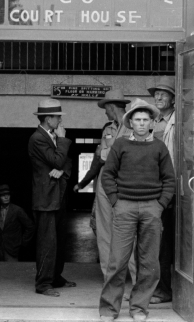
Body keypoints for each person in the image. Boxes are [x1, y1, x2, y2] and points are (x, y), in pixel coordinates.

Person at [99, 98, 175, 322]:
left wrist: (160, 205)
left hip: (151, 208)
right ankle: (109, 309)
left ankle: (139, 308)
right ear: (130, 122)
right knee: (118, 261)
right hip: (125, 207)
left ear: (151, 123)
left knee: (149, 262)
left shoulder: (159, 147)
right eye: (137, 119)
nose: (141, 123)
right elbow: (108, 175)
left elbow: (169, 179)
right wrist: (115, 201)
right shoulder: (121, 145)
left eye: (145, 120)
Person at [74, 89, 134, 280]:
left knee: (129, 230)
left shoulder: (134, 125)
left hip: (124, 183)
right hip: (104, 182)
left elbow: (127, 156)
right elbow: (99, 159)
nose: (105, 113)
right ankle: (110, 277)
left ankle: (136, 278)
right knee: (104, 231)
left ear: (111, 106)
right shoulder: (107, 128)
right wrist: (84, 182)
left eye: (106, 108)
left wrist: (104, 154)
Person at [27, 98, 75, 297]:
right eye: (57, 118)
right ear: (48, 119)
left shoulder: (51, 136)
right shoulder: (37, 138)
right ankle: (43, 284)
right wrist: (63, 142)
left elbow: (67, 162)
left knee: (59, 241)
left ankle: (55, 277)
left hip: (57, 196)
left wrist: (61, 170)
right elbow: (56, 159)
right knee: (47, 243)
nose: (60, 122)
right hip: (46, 199)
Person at [148, 77, 176, 304]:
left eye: (163, 94)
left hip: (168, 190)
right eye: (156, 94)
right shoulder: (155, 121)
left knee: (163, 244)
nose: (158, 97)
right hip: (154, 187)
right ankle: (155, 288)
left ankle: (163, 290)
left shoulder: (177, 121)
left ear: (173, 99)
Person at [0, 184, 35, 262]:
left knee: (11, 271)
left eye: (7, 194)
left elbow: (30, 226)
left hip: (12, 248)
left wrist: (22, 241)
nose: (6, 197)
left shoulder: (17, 210)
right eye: (3, 195)